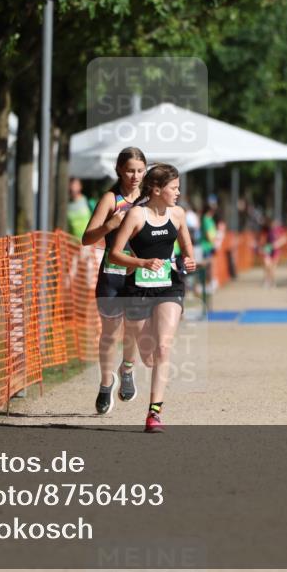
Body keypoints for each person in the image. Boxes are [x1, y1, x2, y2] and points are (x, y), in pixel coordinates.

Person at [108, 164, 197, 433]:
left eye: (179, 187)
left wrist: (189, 260)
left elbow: (187, 248)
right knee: (147, 355)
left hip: (169, 286)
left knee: (163, 349)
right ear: (157, 190)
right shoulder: (136, 215)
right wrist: (143, 262)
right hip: (138, 287)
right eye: (174, 188)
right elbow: (114, 254)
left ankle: (153, 414)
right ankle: (127, 367)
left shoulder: (178, 214)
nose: (178, 193)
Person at [80, 147, 147, 415]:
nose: (135, 176)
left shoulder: (148, 199)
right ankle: (106, 382)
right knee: (109, 332)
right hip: (112, 275)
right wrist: (110, 225)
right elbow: (86, 238)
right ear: (119, 169)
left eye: (140, 171)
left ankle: (127, 368)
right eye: (130, 170)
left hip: (140, 275)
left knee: (136, 329)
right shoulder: (111, 199)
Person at [260, 215, 287, 289]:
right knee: (267, 265)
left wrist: (278, 244)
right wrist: (262, 248)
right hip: (267, 248)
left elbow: (285, 238)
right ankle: (266, 281)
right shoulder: (265, 229)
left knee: (273, 267)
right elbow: (261, 239)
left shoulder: (279, 229)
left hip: (276, 250)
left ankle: (272, 282)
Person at [66, 177, 95, 242]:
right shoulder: (66, 206)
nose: (72, 188)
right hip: (72, 245)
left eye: (75, 185)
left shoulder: (89, 202)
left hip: (87, 243)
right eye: (70, 185)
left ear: (80, 186)